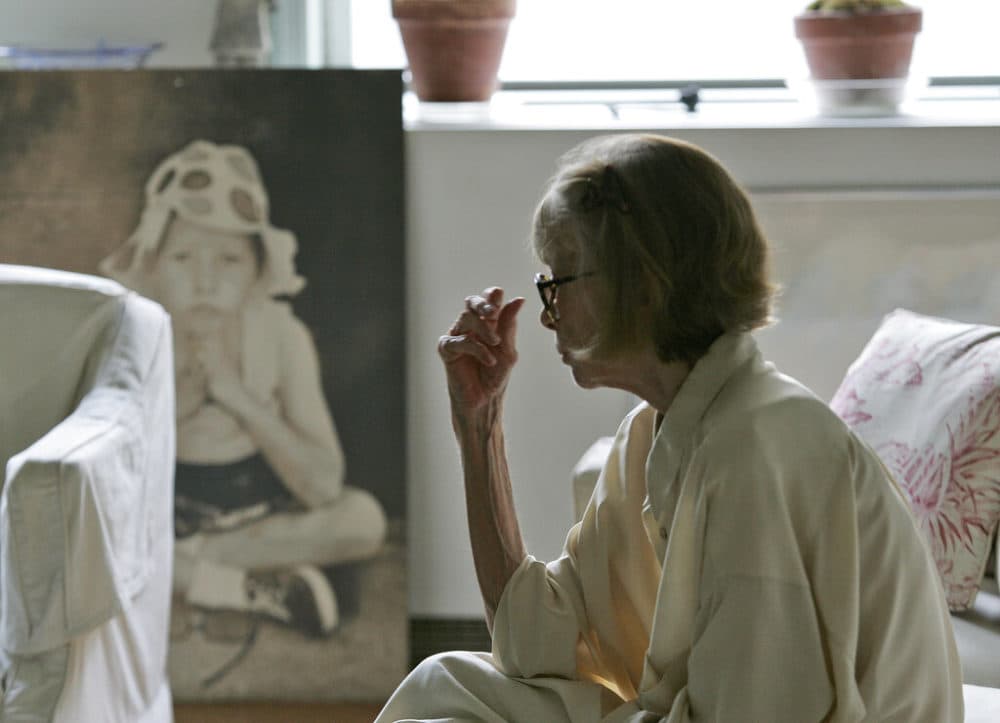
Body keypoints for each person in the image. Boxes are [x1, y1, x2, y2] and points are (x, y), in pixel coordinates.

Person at [376, 134, 963, 721]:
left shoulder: (759, 447)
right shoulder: (650, 435)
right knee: (443, 681)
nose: (547, 315)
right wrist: (480, 429)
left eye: (558, 283)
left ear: (643, 286)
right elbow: (533, 645)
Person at [100, 140, 387, 638]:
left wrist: (237, 397)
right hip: (164, 517)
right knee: (92, 533)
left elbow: (321, 485)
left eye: (229, 260)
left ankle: (190, 573)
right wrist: (181, 405)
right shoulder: (137, 333)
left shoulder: (281, 336)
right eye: (184, 258)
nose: (206, 281)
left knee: (363, 520)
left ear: (258, 270)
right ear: (152, 267)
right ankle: (246, 590)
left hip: (261, 522)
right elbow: (113, 476)